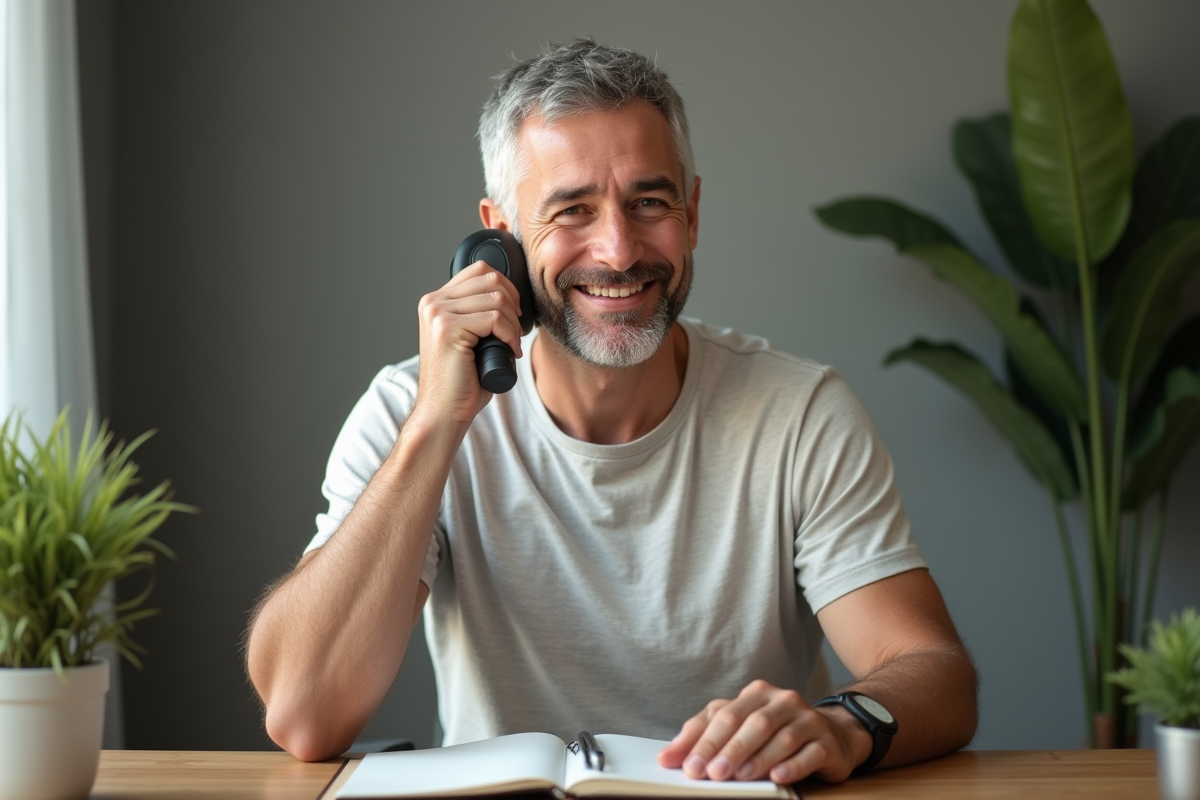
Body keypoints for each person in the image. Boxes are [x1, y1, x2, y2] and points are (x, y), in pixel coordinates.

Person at [246, 38, 977, 783]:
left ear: (692, 214)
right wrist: (437, 426)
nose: (619, 251)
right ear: (500, 236)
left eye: (649, 203)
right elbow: (306, 715)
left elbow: (935, 672)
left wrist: (842, 725)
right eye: (572, 210)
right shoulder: (410, 410)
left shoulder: (799, 413)